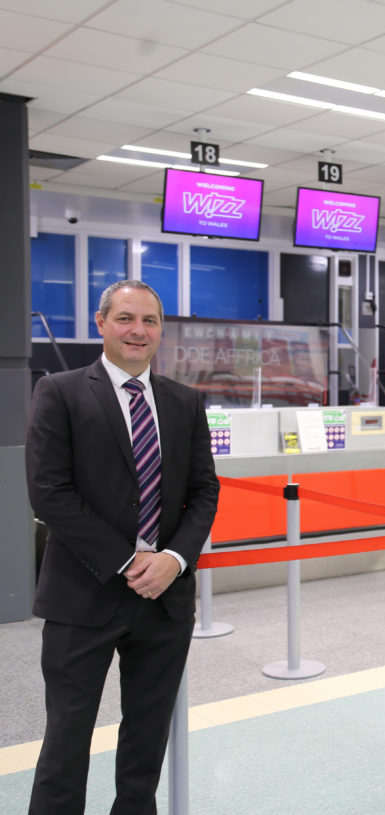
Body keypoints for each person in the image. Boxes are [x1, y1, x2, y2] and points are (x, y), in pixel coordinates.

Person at [26, 280, 220, 814]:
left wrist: (174, 560)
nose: (138, 331)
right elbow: (49, 492)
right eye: (126, 319)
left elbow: (205, 490)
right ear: (101, 323)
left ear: (161, 329)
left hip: (165, 600)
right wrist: (129, 559)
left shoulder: (184, 402)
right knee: (67, 737)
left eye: (150, 321)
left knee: (146, 737)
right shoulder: (61, 392)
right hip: (81, 597)